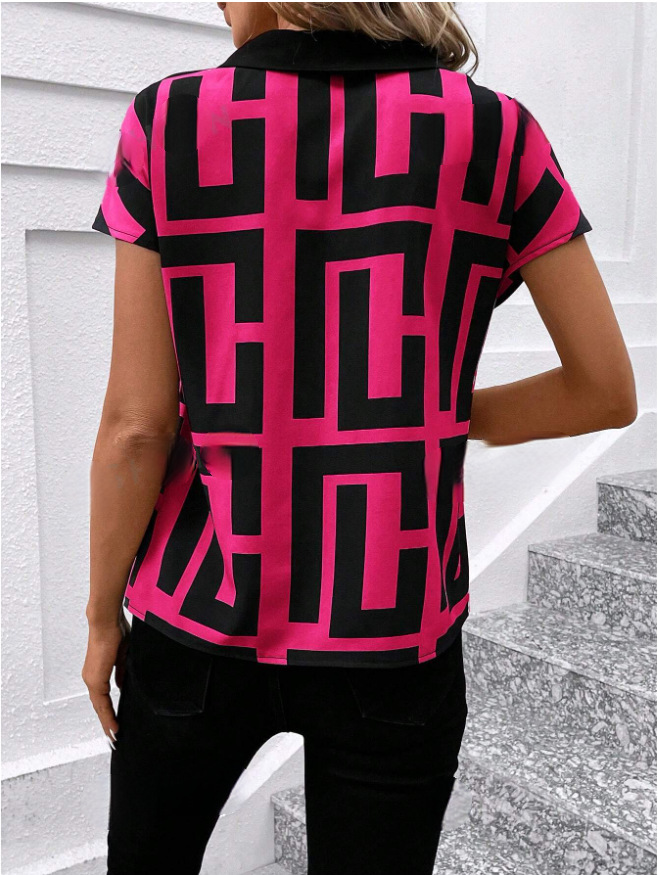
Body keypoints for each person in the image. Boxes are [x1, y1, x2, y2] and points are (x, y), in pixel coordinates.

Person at [82, 3, 637, 874]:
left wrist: (99, 618)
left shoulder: (171, 120)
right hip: (395, 626)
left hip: (197, 615)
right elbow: (603, 389)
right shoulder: (493, 131)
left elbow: (136, 425)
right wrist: (435, 413)